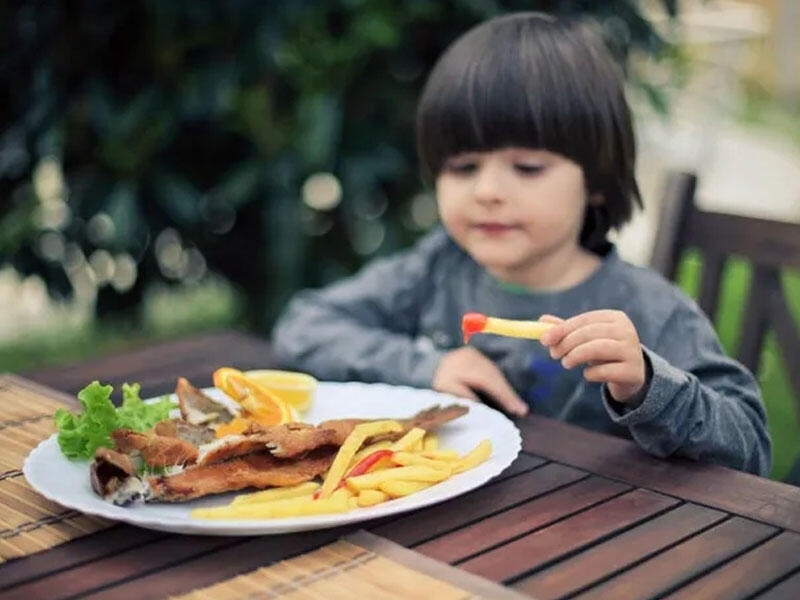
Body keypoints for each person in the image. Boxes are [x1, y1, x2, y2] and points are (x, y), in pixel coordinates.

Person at [272, 12, 771, 475]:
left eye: (528, 168)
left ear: (596, 181)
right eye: (463, 168)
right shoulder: (439, 268)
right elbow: (305, 324)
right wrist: (431, 365)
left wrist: (645, 384)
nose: (487, 191)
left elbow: (750, 449)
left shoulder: (650, 309)